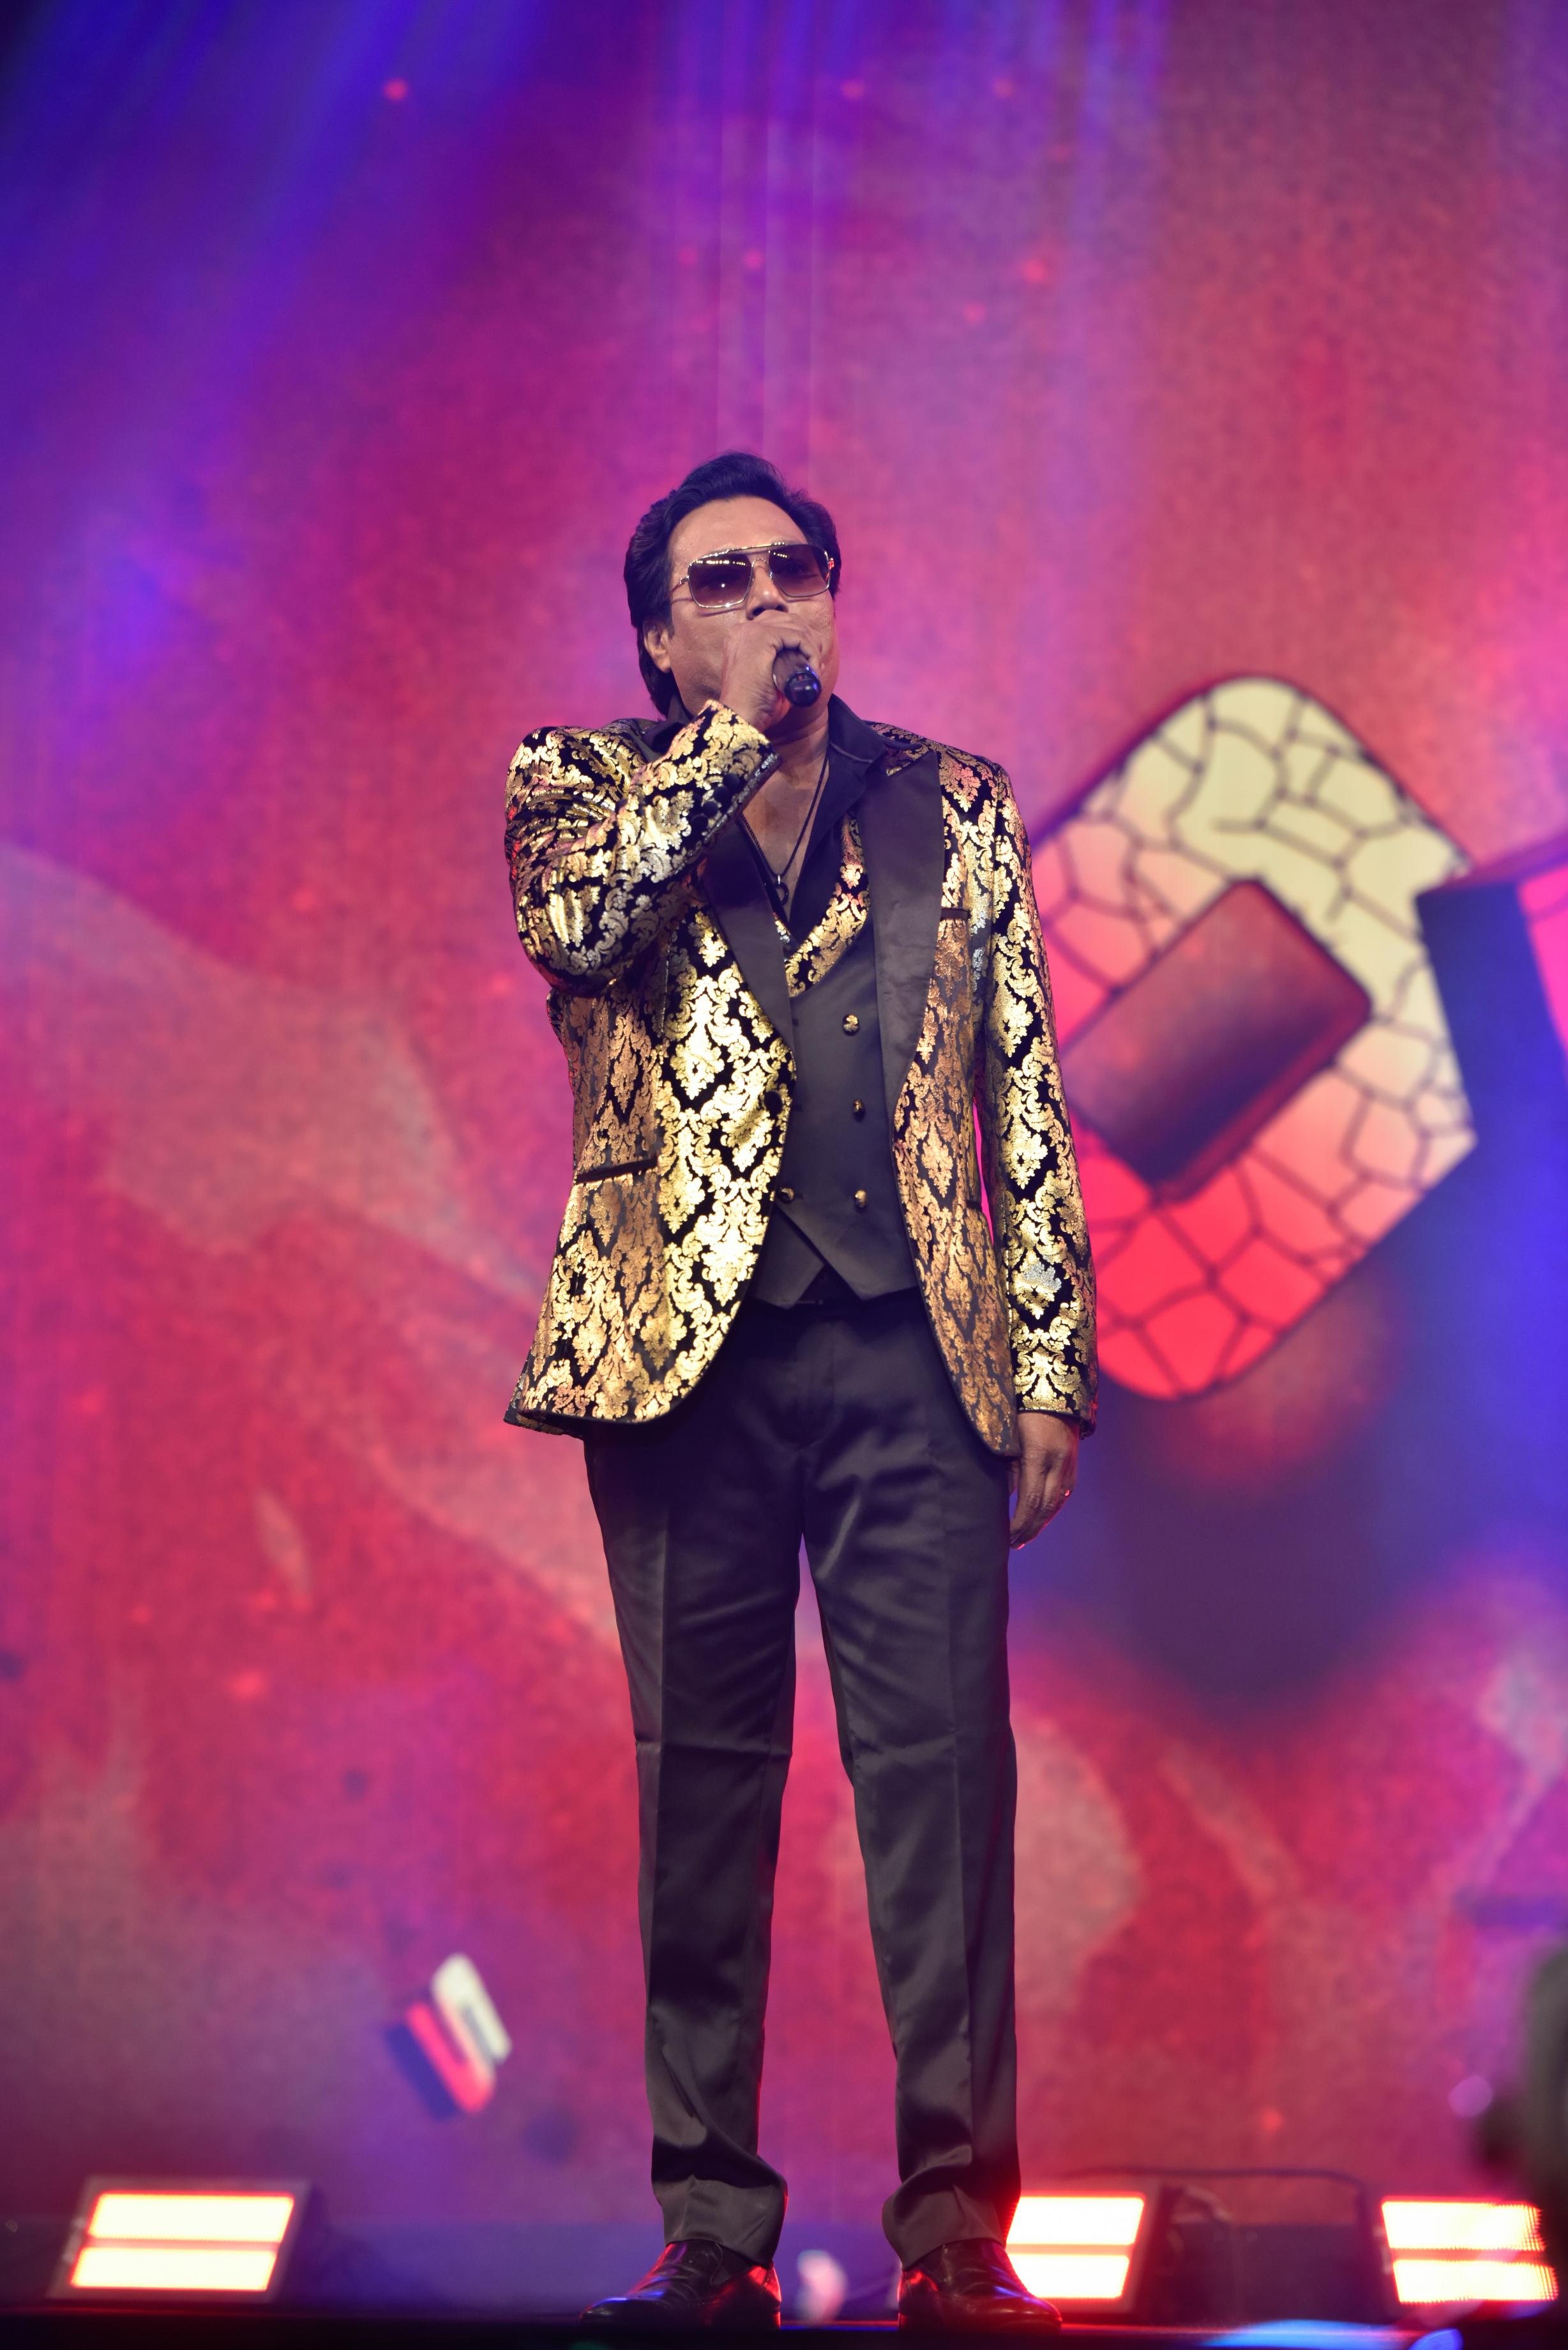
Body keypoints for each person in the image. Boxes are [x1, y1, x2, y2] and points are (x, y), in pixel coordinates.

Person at [503, 452, 1096, 2332]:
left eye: (797, 567)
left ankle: (959, 2228)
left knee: (945, 1787)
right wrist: (720, 752)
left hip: (914, 1356)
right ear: (659, 638)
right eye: (724, 581)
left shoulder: (953, 802)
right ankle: (712, 2228)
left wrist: (1052, 1360)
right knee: (704, 1789)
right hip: (683, 1371)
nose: (773, 600)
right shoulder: (576, 786)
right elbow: (577, 932)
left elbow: (1021, 1093)